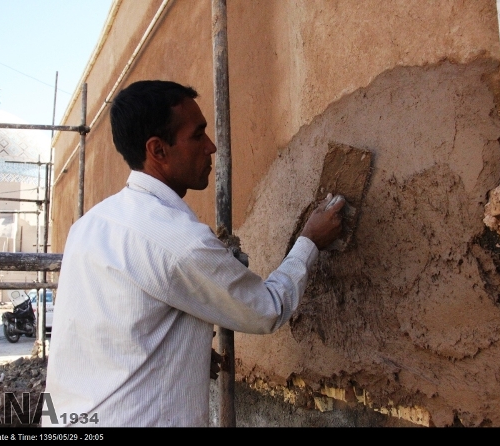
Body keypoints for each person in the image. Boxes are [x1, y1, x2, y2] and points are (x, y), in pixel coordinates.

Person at [44, 80, 345, 427]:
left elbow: (112, 326)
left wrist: (183, 352)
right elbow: (267, 309)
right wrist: (310, 241)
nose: (212, 147)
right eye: (198, 135)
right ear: (158, 150)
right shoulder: (179, 241)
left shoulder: (90, 225)